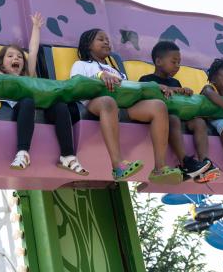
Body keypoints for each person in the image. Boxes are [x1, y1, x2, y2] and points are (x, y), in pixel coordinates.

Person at [0, 9, 88, 176]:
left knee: (60, 106)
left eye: (19, 57)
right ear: (2, 64)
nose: (16, 59)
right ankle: (23, 152)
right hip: (18, 109)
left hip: (39, 108)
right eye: (10, 56)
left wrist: (36, 28)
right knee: (27, 100)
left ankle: (67, 155)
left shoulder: (28, 75)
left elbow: (33, 51)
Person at [70, 28, 182, 184]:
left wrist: (155, 86)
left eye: (107, 39)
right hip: (97, 104)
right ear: (88, 45)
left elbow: (131, 87)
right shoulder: (81, 64)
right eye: (100, 39)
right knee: (108, 102)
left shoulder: (116, 70)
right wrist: (101, 75)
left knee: (158, 106)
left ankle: (159, 167)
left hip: (124, 106)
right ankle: (118, 165)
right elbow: (77, 84)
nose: (106, 42)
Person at [139, 41, 220, 183]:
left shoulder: (176, 82)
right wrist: (169, 89)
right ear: (158, 61)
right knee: (173, 119)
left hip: (182, 116)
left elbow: (180, 102)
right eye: (174, 62)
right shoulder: (146, 79)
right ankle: (185, 162)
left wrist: (185, 92)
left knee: (199, 122)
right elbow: (147, 90)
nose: (178, 66)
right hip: (166, 117)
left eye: (179, 62)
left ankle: (204, 163)